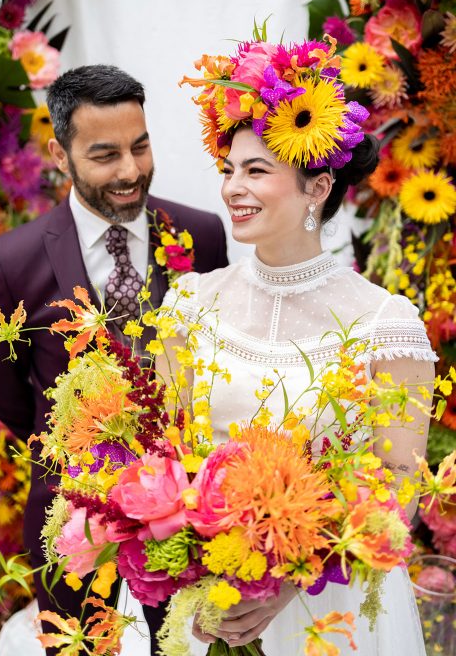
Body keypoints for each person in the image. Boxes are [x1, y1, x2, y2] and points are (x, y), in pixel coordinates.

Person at [117, 36, 435, 655]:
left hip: (328, 608)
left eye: (257, 170)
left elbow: (399, 487)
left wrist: (286, 583)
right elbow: (158, 451)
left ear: (317, 188)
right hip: (202, 597)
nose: (234, 187)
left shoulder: (385, 323)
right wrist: (188, 563)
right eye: (229, 170)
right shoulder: (189, 303)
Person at [0, 64, 228, 656]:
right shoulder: (12, 261)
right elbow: (0, 384)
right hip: (72, 514)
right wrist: (67, 436)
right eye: (105, 154)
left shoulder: (201, 234)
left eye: (140, 147)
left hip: (185, 512)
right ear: (61, 155)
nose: (130, 171)